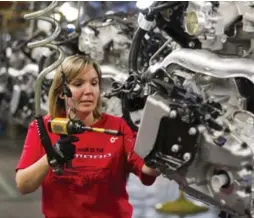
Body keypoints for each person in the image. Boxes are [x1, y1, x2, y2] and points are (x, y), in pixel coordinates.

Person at [15, 54, 159, 218]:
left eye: (94, 83)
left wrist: (162, 146)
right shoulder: (44, 127)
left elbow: (147, 170)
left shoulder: (118, 127)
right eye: (78, 84)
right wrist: (51, 157)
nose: (89, 91)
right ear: (62, 92)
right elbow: (23, 185)